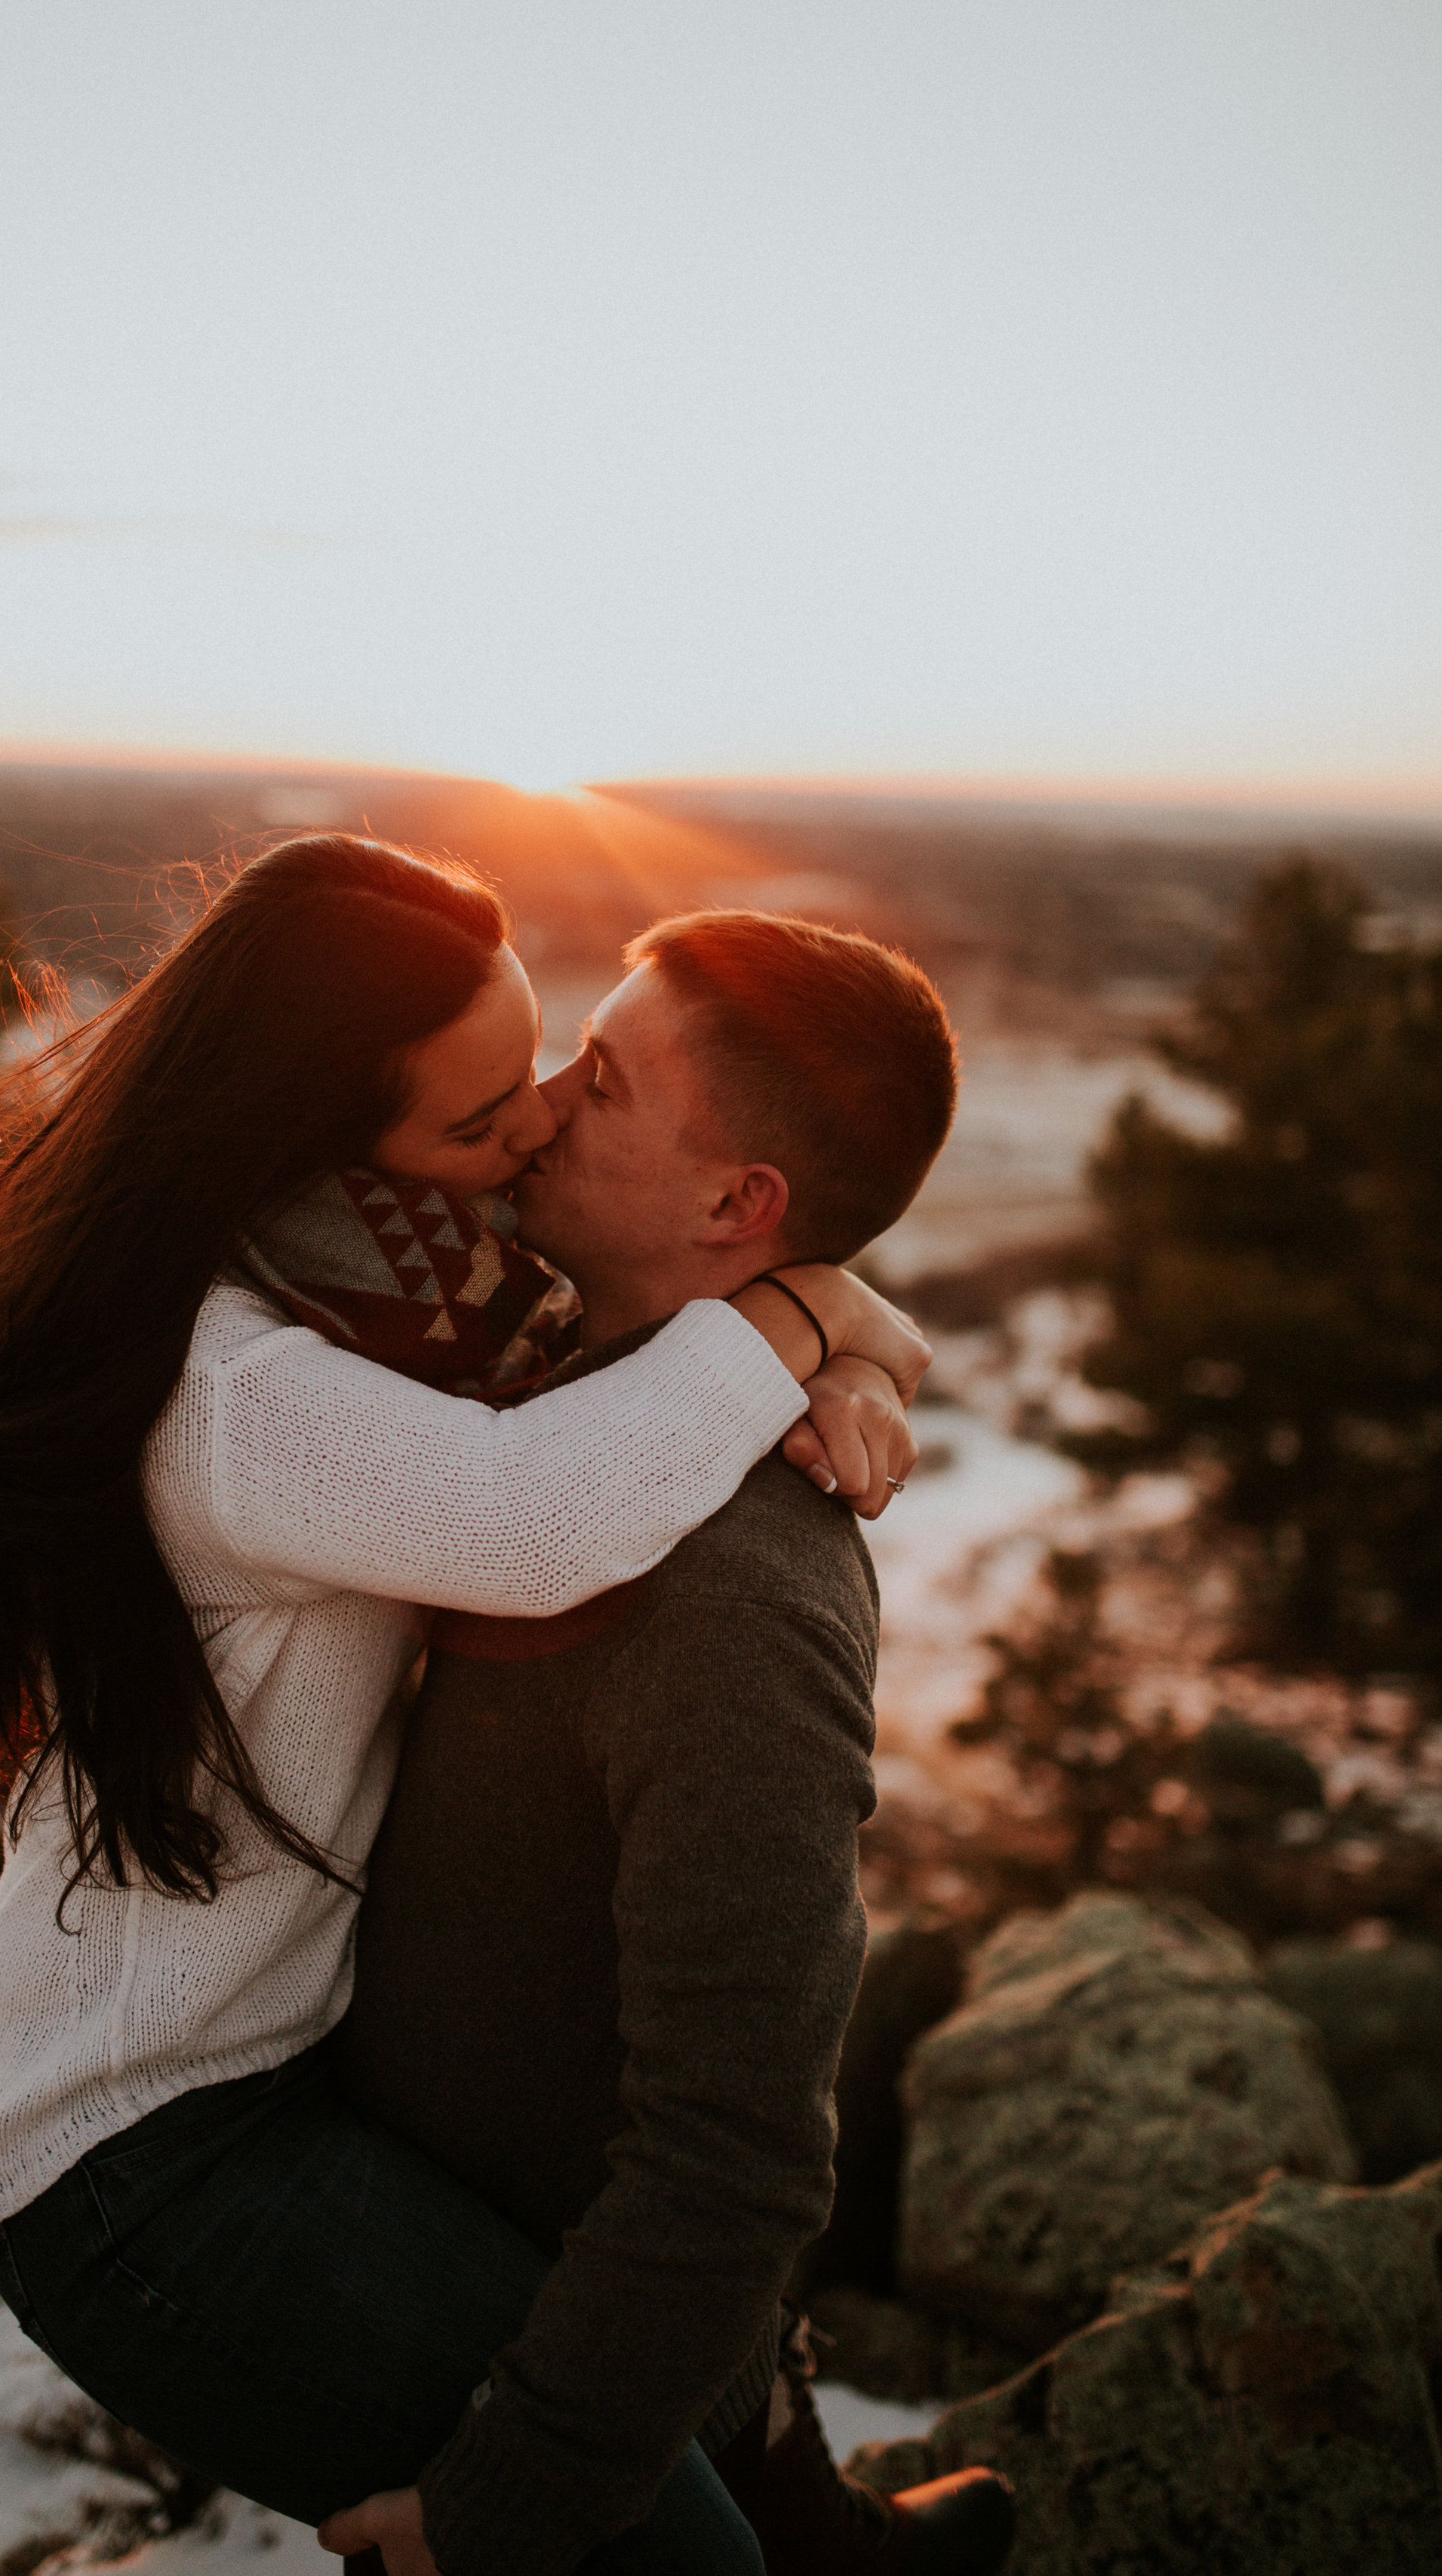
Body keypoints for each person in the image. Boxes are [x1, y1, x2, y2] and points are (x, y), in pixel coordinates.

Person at [0, 833, 927, 2574]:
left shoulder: (388, 1286)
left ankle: (825, 2531)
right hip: (141, 2155)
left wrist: (842, 1329)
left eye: (553, 1069)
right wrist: (805, 1318)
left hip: (275, 2063)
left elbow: (624, 1372)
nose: (537, 1128)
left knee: (651, 2375)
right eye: (480, 1117)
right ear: (316, 1133)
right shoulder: (242, 1388)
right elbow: (530, 1516)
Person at [325, 910, 1015, 2576]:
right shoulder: (550, 1359)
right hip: (448, 2204)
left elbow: (740, 2145)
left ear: (731, 1206)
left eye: (604, 1081)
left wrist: (514, 2502)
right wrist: (828, 1321)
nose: (545, 1100)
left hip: (515, 2311)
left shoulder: (733, 1589)